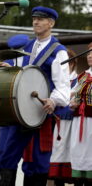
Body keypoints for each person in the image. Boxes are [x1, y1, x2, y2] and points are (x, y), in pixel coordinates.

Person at [0, 6, 70, 186]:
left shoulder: (57, 50)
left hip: (42, 112)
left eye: (41, 19)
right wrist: (8, 66)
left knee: (38, 161)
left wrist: (53, 100)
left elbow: (63, 85)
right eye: (34, 19)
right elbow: (18, 67)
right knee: (8, 155)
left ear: (51, 23)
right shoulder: (27, 46)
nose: (36, 22)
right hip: (22, 111)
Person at [48, 49, 78, 185]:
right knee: (55, 160)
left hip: (71, 124)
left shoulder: (79, 79)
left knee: (70, 157)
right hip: (53, 122)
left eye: (68, 63)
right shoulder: (56, 82)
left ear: (72, 64)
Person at [69, 42, 92, 185]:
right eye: (89, 53)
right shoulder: (82, 76)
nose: (90, 56)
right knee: (78, 153)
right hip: (79, 122)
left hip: (91, 122)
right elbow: (71, 95)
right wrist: (71, 103)